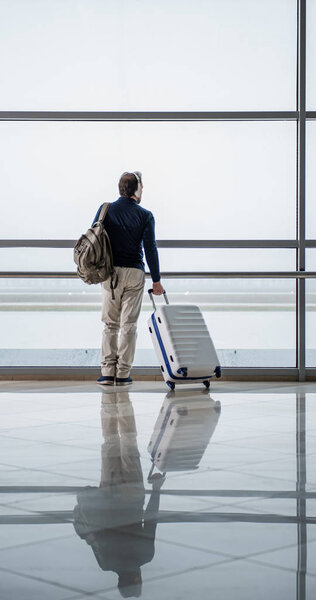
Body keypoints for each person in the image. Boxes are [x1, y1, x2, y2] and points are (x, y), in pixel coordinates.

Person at [73, 391, 165, 598]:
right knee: (110, 442)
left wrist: (156, 489)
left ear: (136, 579)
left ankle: (122, 399)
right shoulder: (106, 563)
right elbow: (94, 534)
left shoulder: (145, 556)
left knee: (129, 442)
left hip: (132, 497)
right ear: (119, 582)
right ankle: (108, 399)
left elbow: (151, 520)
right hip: (107, 492)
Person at [93, 172, 165, 386]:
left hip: (111, 272)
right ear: (137, 189)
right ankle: (123, 374)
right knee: (129, 325)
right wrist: (157, 280)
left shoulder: (106, 210)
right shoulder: (145, 215)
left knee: (110, 324)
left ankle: (107, 372)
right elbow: (150, 249)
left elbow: (95, 238)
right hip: (134, 272)